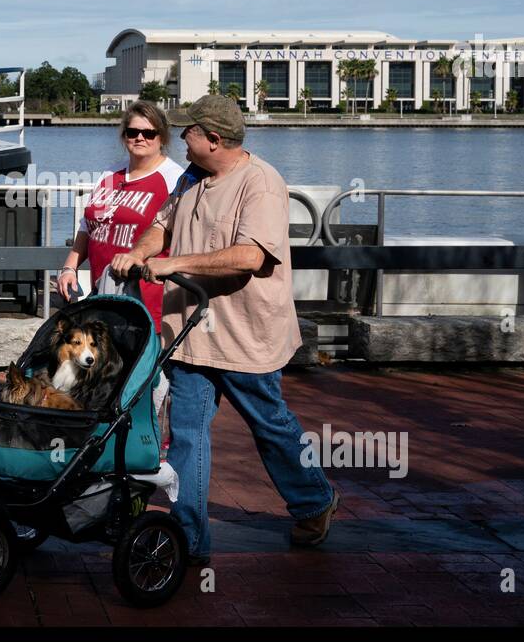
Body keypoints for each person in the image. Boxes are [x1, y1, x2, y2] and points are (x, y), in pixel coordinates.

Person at [110, 94, 338, 561]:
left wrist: (173, 265)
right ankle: (190, 542)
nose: (181, 139)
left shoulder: (262, 184)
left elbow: (251, 256)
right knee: (189, 434)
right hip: (191, 333)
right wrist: (140, 252)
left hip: (247, 336)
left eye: (188, 132)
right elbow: (162, 225)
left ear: (212, 139)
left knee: (271, 426)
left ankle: (315, 499)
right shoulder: (192, 177)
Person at [56, 100, 185, 330]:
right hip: (103, 289)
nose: (140, 138)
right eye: (133, 132)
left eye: (149, 133)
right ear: (124, 136)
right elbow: (88, 226)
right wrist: (69, 268)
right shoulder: (111, 173)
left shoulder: (174, 178)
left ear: (162, 137)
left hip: (146, 298)